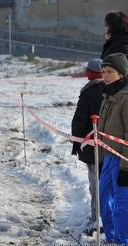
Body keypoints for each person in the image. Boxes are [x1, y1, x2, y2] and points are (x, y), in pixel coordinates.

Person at [98, 53, 128, 246]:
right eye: (103, 72)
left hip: (121, 159)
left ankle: (123, 241)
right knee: (103, 198)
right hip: (108, 157)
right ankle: (110, 236)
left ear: (122, 74)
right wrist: (101, 158)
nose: (105, 76)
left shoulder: (126, 98)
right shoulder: (108, 94)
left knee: (121, 202)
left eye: (110, 72)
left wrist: (125, 168)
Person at [71, 58, 104, 233]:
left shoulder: (87, 94)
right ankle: (106, 216)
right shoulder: (112, 91)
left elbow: (79, 121)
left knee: (95, 183)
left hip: (91, 148)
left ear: (88, 74)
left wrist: (76, 141)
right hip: (111, 148)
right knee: (108, 183)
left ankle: (95, 217)